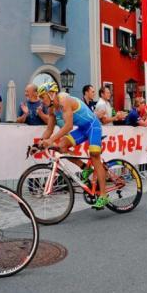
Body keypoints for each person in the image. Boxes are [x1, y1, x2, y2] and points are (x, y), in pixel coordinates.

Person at [37, 81, 109, 209]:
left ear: (51, 94)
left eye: (43, 97)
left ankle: (103, 195)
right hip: (82, 129)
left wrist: (51, 140)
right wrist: (39, 143)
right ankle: (85, 168)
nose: (41, 100)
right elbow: (49, 129)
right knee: (61, 147)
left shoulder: (65, 101)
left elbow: (68, 126)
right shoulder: (52, 109)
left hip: (93, 126)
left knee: (94, 155)